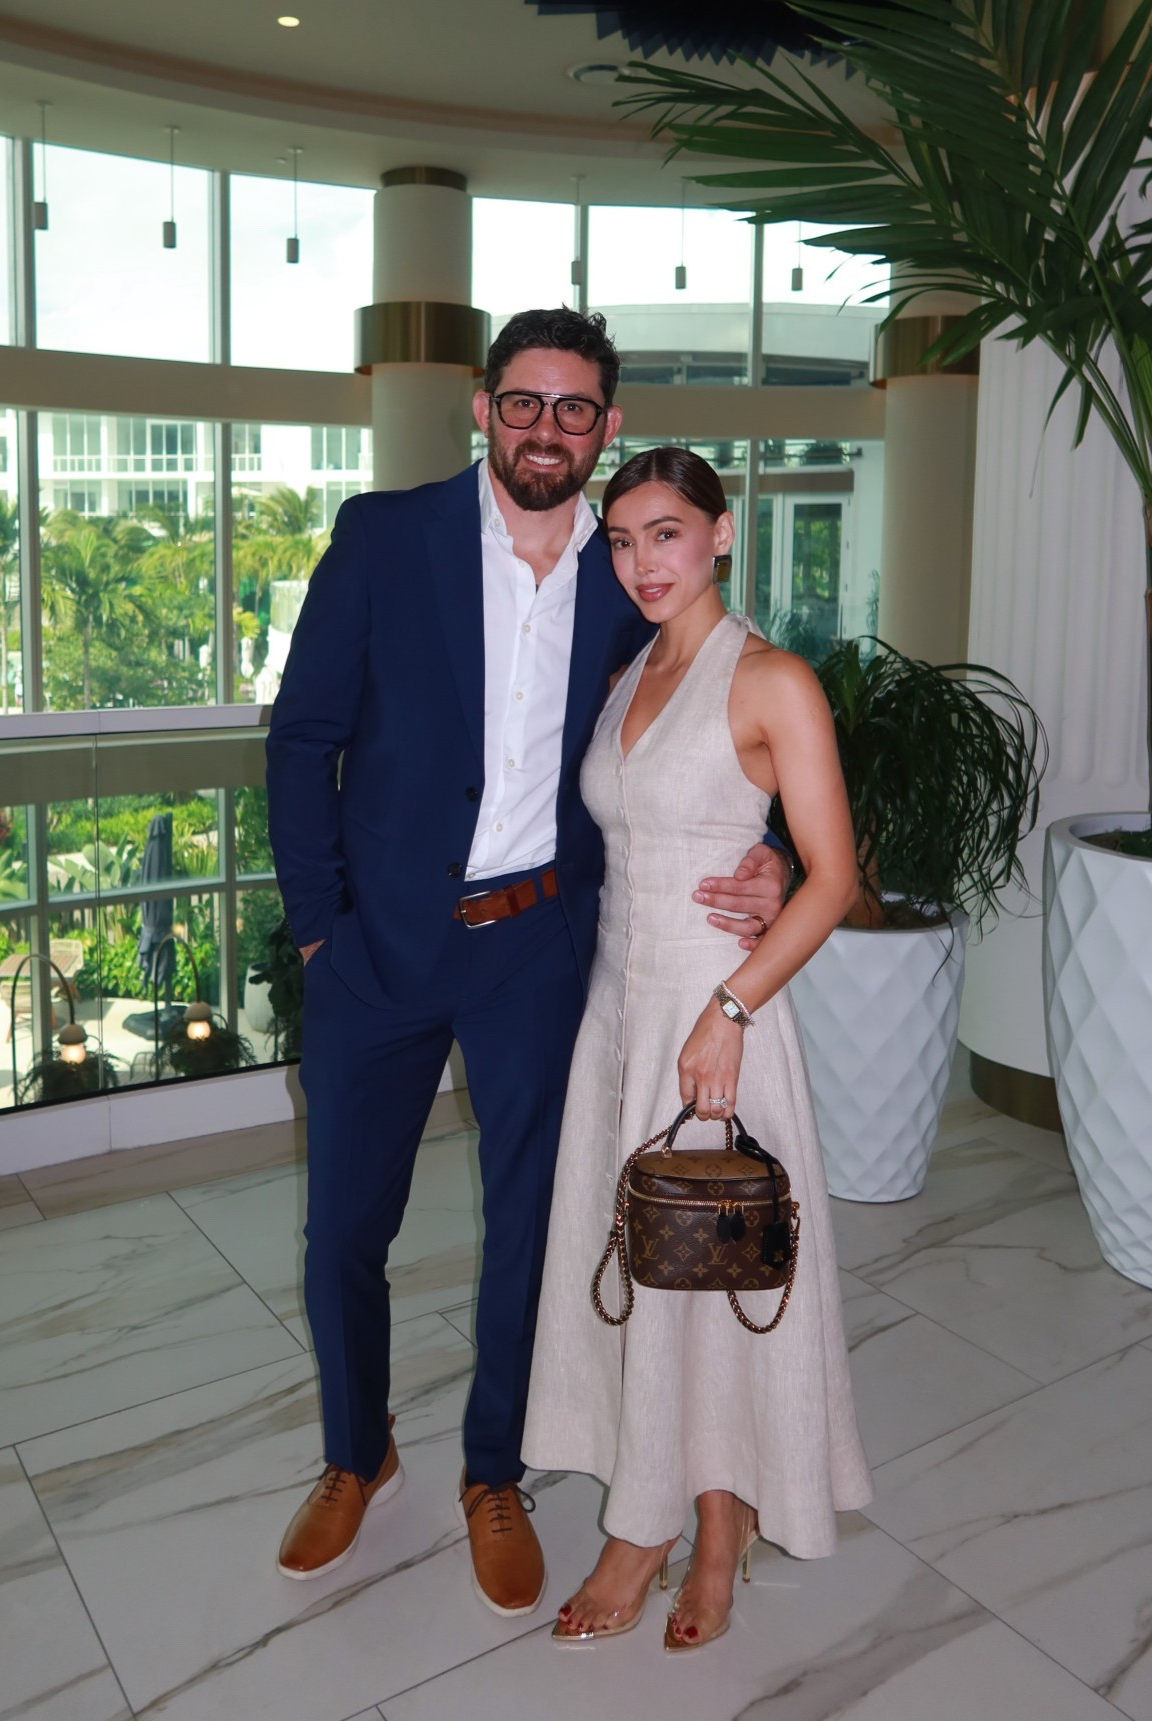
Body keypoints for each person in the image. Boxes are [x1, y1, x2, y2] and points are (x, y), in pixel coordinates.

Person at [264, 311, 791, 1617]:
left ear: (603, 425)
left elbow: (732, 708)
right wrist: (320, 926)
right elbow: (300, 737)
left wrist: (771, 846)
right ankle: (355, 1449)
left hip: (538, 952)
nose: (544, 427)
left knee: (535, 1235)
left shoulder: (631, 571)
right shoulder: (384, 537)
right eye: (522, 402)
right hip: (376, 951)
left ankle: (491, 1472)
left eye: (572, 408)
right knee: (345, 1227)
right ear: (484, 410)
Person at [522, 445, 873, 1651]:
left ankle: (707, 1531)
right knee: (641, 1274)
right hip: (619, 1012)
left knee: (712, 1277)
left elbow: (829, 877)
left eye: (664, 533)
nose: (640, 561)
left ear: (721, 533)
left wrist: (726, 1009)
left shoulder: (771, 678)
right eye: (620, 540)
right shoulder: (630, 672)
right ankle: (650, 1507)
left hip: (715, 1018)